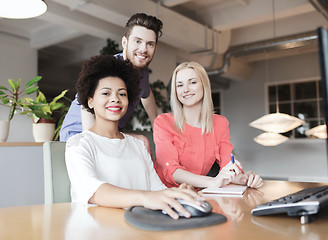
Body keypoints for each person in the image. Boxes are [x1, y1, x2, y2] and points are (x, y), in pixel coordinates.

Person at [65, 55, 204, 220]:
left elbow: (156, 189)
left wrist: (177, 193)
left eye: (122, 94)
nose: (115, 99)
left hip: (142, 228)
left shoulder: (138, 145)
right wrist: (145, 198)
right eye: (106, 93)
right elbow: (93, 191)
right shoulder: (78, 144)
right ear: (90, 101)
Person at [153, 61, 263, 189]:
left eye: (192, 82)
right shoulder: (163, 122)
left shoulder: (220, 123)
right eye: (179, 85)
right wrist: (212, 182)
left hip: (197, 195)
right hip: (163, 193)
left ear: (204, 85)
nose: (186, 89)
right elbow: (170, 170)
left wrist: (246, 179)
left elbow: (228, 165)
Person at [60, 13, 162, 141]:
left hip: (109, 133)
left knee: (143, 141)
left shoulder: (142, 71)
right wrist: (94, 142)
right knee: (141, 141)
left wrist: (156, 125)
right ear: (124, 42)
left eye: (150, 44)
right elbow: (85, 104)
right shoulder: (108, 68)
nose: (143, 49)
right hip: (78, 135)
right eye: (137, 41)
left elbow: (146, 93)